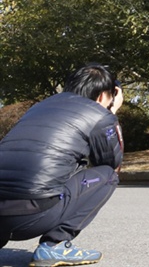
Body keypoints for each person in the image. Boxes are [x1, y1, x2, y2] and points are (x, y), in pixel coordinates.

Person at [0, 63, 123, 267]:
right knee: (108, 176)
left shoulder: (39, 107)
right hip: (32, 216)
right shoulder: (99, 114)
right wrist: (113, 113)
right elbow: (112, 163)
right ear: (103, 96)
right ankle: (55, 244)